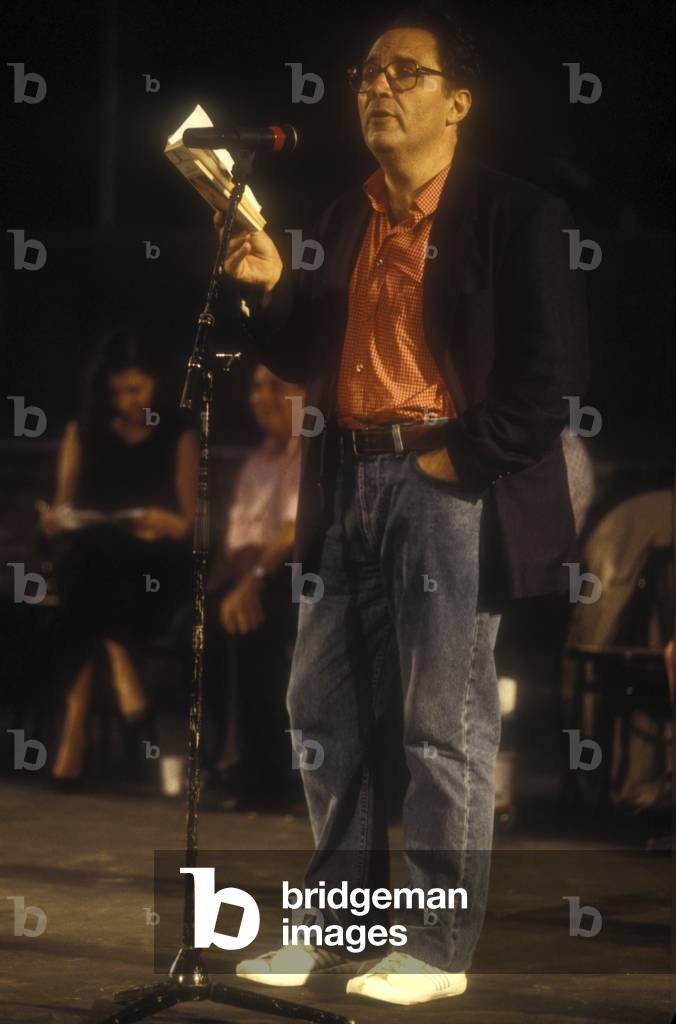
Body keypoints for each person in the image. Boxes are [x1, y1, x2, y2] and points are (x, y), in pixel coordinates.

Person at [217, 6, 587, 1007]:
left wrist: (452, 461)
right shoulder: (346, 216)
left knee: (440, 721)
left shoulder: (517, 216)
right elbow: (310, 358)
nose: (375, 86)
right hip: (346, 476)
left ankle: (434, 945)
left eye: (403, 73)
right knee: (319, 706)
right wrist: (265, 289)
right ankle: (343, 921)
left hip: (445, 484)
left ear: (457, 103)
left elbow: (545, 380)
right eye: (365, 72)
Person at [39, 327, 198, 788]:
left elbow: (188, 522)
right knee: (91, 552)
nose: (126, 400)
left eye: (136, 389)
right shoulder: (84, 433)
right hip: (94, 567)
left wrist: (159, 521)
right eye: (116, 392)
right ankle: (118, 660)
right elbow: (65, 507)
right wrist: (55, 520)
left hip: (152, 571)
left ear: (155, 384)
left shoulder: (178, 434)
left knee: (85, 585)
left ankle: (72, 742)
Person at [202, 364, 304, 810]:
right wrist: (241, 586)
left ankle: (264, 771)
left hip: (305, 576)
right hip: (257, 577)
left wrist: (252, 584)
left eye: (276, 386)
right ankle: (221, 761)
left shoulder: (312, 453)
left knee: (254, 625)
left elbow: (292, 532)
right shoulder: (255, 463)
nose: (263, 396)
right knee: (205, 621)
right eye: (256, 386)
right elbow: (239, 541)